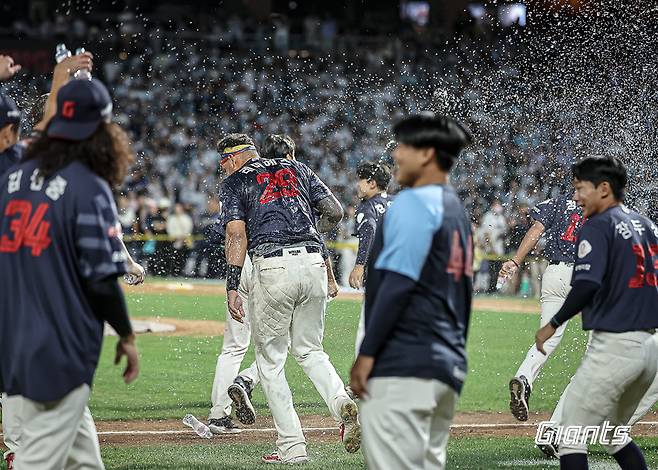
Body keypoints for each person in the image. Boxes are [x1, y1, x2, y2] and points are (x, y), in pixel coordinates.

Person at [0, 78, 139, 470]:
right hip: (58, 347)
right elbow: (100, 279)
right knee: (37, 462)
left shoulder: (12, 178)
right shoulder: (88, 187)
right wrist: (126, 335)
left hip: (13, 340)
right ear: (102, 129)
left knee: (84, 462)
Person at [221, 133, 360, 463]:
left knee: (270, 362)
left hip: (272, 265)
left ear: (238, 156)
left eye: (223, 160)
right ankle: (341, 402)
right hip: (313, 260)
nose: (222, 167)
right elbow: (335, 211)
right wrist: (308, 231)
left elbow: (235, 234)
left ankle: (292, 447)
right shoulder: (297, 168)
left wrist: (231, 285)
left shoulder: (236, 181)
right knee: (311, 350)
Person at [350, 112, 473, 470]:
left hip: (403, 366)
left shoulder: (413, 204)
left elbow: (396, 287)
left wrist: (368, 353)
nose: (396, 155)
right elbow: (464, 298)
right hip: (443, 367)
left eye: (404, 145)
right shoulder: (456, 210)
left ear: (427, 154)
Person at [535, 156, 658, 470]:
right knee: (613, 434)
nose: (575, 197)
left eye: (580, 188)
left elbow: (586, 284)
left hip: (617, 345)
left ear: (604, 189)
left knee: (569, 435)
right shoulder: (645, 224)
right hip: (650, 349)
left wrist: (553, 323)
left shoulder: (598, 224)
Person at [499, 195, 584, 420]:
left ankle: (524, 377)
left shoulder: (558, 202)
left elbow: (536, 229)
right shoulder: (600, 204)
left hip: (554, 274)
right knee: (602, 344)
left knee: (547, 338)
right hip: (584, 275)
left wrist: (516, 261)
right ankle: (564, 421)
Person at [348, 160, 393, 356]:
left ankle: (360, 379)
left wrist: (359, 265)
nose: (358, 184)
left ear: (372, 183)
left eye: (361, 180)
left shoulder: (368, 206)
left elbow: (369, 231)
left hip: (382, 274)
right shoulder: (398, 201)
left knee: (367, 326)